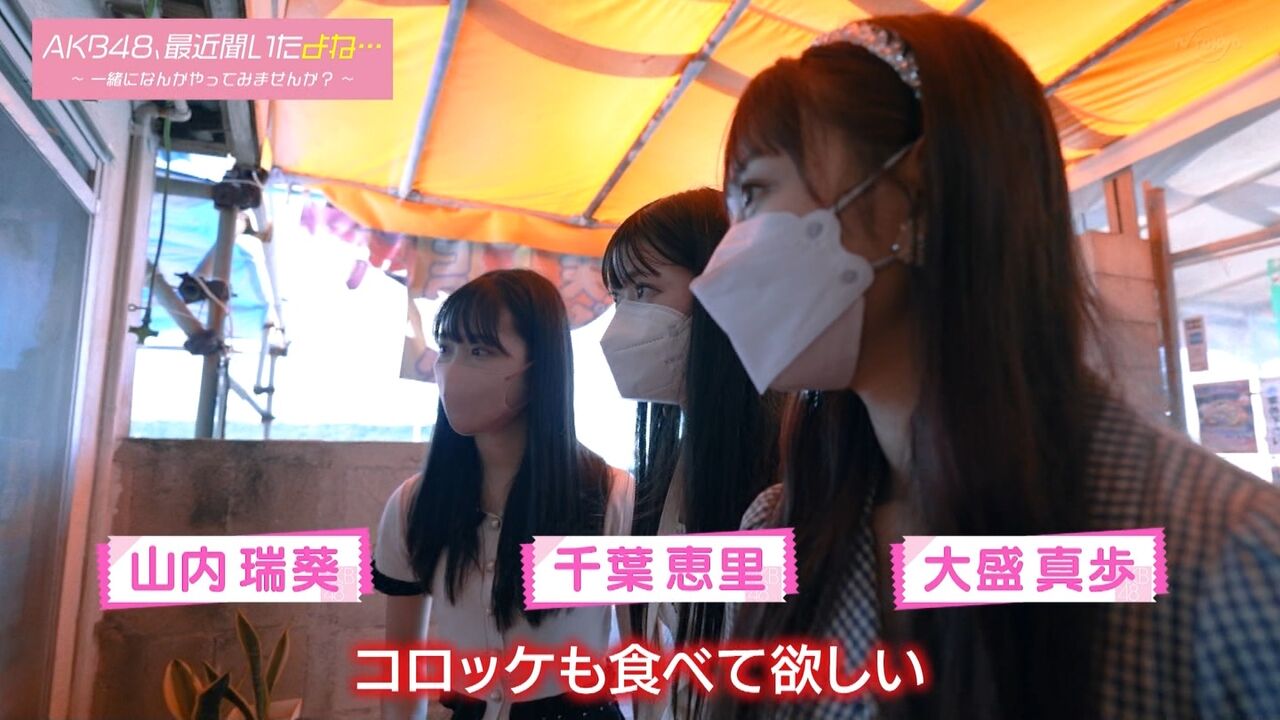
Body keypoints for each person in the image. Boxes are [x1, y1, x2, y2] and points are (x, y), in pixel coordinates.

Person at [688, 13, 1280, 720]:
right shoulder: (780, 532)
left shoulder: (1224, 555)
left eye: (756, 192)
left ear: (920, 193)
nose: (733, 249)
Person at [373, 269, 634, 720]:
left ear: (539, 369)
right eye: (447, 349)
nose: (453, 369)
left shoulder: (611, 495)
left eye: (479, 351)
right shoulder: (413, 504)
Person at [598, 188, 783, 720]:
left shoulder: (789, 478)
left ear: (725, 288)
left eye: (644, 289)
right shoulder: (670, 467)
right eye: (618, 297)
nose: (623, 321)